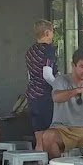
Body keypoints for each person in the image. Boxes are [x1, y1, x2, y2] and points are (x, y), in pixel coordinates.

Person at [26, 20, 57, 150]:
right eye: (52, 32)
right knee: (50, 137)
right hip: (45, 96)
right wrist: (59, 86)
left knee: (39, 138)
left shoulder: (30, 51)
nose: (52, 35)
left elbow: (29, 75)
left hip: (32, 96)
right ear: (47, 32)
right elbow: (47, 74)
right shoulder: (48, 50)